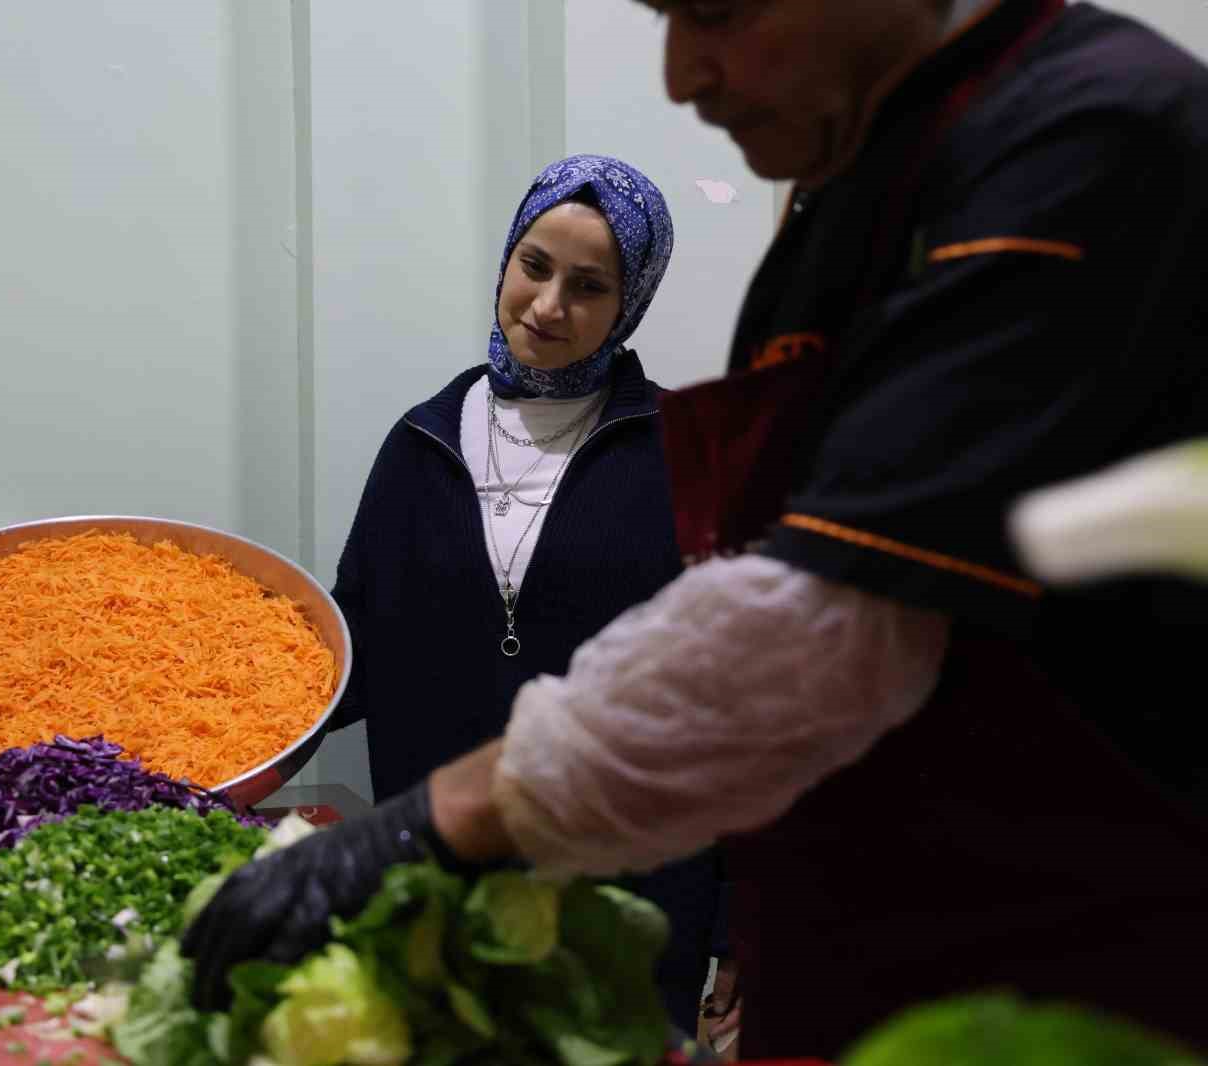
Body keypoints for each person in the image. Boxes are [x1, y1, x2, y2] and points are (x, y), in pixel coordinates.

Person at [186, 1, 1208, 1058]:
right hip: (869, 941)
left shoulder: (1079, 141)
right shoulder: (869, 174)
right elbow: (361, 641)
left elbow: (827, 618)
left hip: (1036, 977)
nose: (681, 75)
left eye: (716, 12)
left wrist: (435, 823)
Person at [319, 153, 721, 1035]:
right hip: (439, 882)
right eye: (534, 266)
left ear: (630, 304)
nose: (546, 306)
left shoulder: (681, 453)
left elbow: (723, 700)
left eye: (588, 285)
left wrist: (740, 925)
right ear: (506, 259)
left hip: (628, 899)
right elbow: (354, 649)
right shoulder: (423, 440)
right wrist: (214, 722)